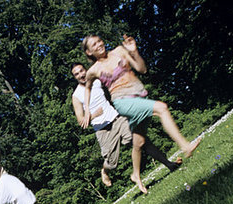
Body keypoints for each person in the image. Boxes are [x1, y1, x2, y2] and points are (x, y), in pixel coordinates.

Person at [81, 35, 201, 167]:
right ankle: (185, 146)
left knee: (138, 142)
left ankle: (135, 176)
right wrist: (87, 111)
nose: (99, 44)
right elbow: (87, 88)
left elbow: (141, 69)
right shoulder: (93, 70)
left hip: (138, 96)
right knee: (161, 108)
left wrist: (134, 52)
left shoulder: (119, 51)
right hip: (122, 101)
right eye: (94, 45)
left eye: (99, 41)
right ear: (89, 52)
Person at [71, 62, 182, 191]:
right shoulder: (76, 95)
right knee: (112, 163)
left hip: (117, 119)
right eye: (76, 74)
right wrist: (95, 114)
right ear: (75, 77)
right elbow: (81, 120)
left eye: (81, 71)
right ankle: (105, 171)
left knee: (141, 141)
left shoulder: (96, 81)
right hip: (103, 130)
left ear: (86, 70)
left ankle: (169, 164)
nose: (80, 75)